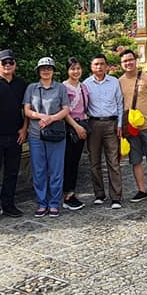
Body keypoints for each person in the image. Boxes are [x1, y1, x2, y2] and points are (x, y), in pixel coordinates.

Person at [0, 49, 27, 221]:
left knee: (12, 172)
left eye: (10, 62)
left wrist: (24, 128)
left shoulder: (22, 84)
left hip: (15, 135)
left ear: (15, 64)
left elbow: (27, 108)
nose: (7, 66)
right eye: (4, 63)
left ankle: (8, 204)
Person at [24, 57, 69, 218]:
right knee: (39, 170)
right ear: (38, 71)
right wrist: (41, 116)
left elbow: (65, 110)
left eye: (49, 68)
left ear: (53, 71)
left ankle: (54, 203)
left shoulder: (60, 88)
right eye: (43, 68)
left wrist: (51, 118)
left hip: (56, 134)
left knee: (56, 170)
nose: (46, 71)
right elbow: (27, 111)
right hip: (36, 134)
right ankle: (42, 203)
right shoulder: (32, 88)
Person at [118, 50, 147, 205]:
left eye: (130, 60)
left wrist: (146, 112)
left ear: (135, 61)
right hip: (131, 127)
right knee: (135, 160)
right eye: (125, 61)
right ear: (121, 64)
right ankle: (141, 190)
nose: (128, 63)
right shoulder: (120, 81)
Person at [83, 53, 125, 209]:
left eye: (102, 64)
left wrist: (120, 124)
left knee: (113, 161)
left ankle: (116, 197)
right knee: (94, 161)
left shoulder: (114, 82)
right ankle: (99, 194)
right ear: (91, 67)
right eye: (96, 64)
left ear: (106, 66)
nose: (99, 67)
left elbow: (120, 104)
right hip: (93, 124)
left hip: (111, 124)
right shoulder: (86, 84)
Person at [60, 58, 91, 211]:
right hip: (69, 128)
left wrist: (83, 126)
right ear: (68, 70)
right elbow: (64, 111)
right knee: (67, 161)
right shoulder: (63, 87)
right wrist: (76, 126)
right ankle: (66, 194)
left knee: (75, 161)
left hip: (81, 126)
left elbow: (85, 109)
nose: (76, 71)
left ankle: (71, 193)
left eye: (78, 68)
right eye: (72, 69)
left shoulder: (84, 87)